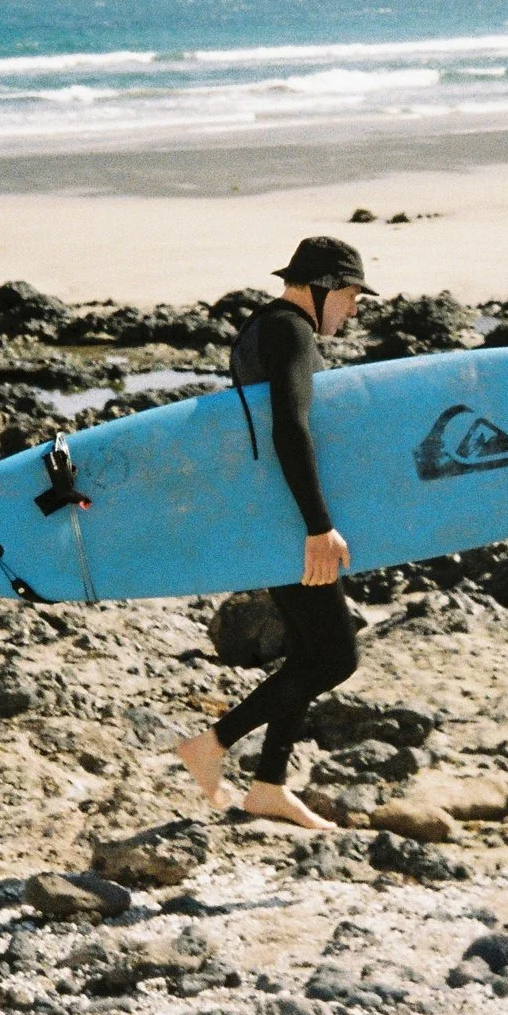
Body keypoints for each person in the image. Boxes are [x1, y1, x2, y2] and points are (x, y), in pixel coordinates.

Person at [174, 236, 373, 830]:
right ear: (326, 288)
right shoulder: (290, 330)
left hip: (272, 514)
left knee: (313, 652)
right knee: (336, 655)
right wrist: (318, 527)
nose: (355, 309)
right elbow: (290, 426)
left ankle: (267, 786)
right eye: (353, 295)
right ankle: (212, 744)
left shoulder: (263, 328)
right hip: (290, 521)